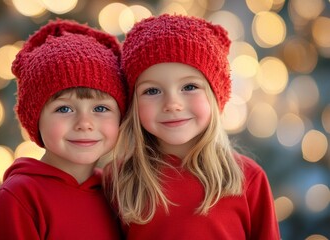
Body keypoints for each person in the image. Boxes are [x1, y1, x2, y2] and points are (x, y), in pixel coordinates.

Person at [105, 14, 280, 239]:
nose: (172, 104)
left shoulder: (247, 179)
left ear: (215, 96)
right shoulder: (118, 180)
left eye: (189, 86)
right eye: (152, 91)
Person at [0, 19, 126, 239]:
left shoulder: (117, 193)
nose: (84, 123)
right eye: (64, 109)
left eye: (100, 107)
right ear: (36, 118)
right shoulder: (20, 197)